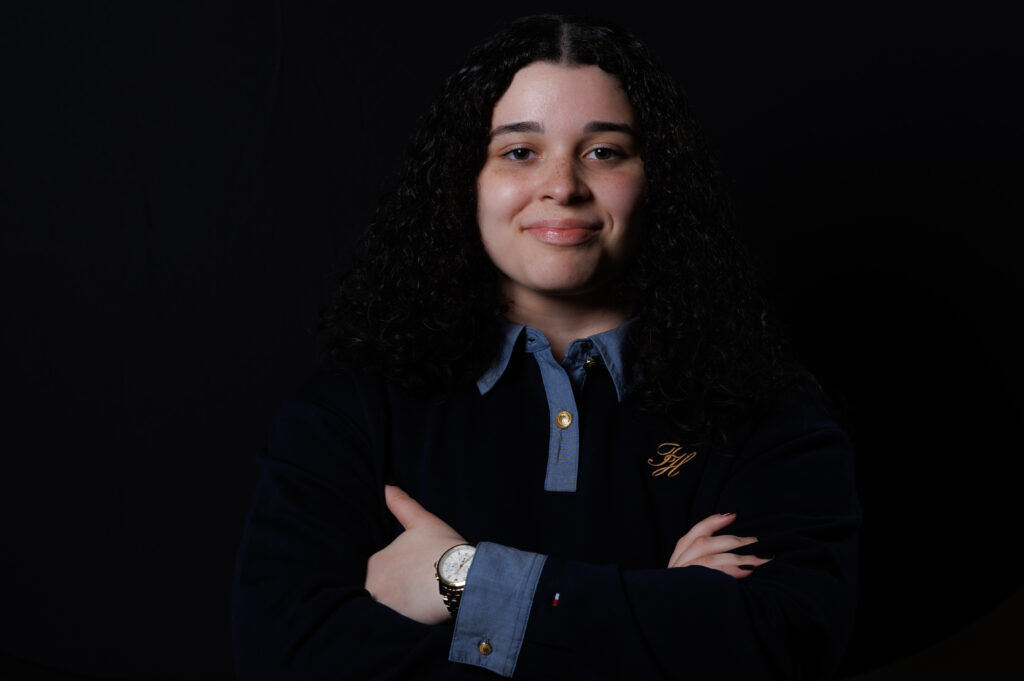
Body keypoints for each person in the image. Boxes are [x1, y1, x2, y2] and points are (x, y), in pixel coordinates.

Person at [231, 13, 860, 680]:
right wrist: (666, 614)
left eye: (604, 151)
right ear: (464, 179)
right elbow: (284, 657)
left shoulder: (765, 408)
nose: (562, 186)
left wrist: (467, 580)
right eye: (519, 152)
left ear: (657, 178)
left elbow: (784, 647)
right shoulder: (350, 407)